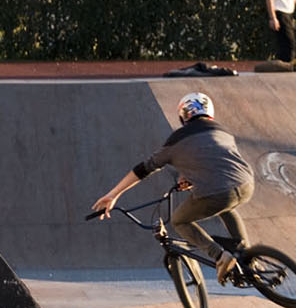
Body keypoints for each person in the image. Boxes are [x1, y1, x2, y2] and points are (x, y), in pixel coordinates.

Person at [92, 92, 255, 285]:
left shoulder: (175, 141)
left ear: (183, 116)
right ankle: (248, 259)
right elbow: (216, 161)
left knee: (179, 221)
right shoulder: (223, 131)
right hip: (246, 185)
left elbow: (143, 169)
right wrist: (192, 176)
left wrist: (113, 194)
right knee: (227, 207)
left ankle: (220, 256)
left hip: (216, 192)